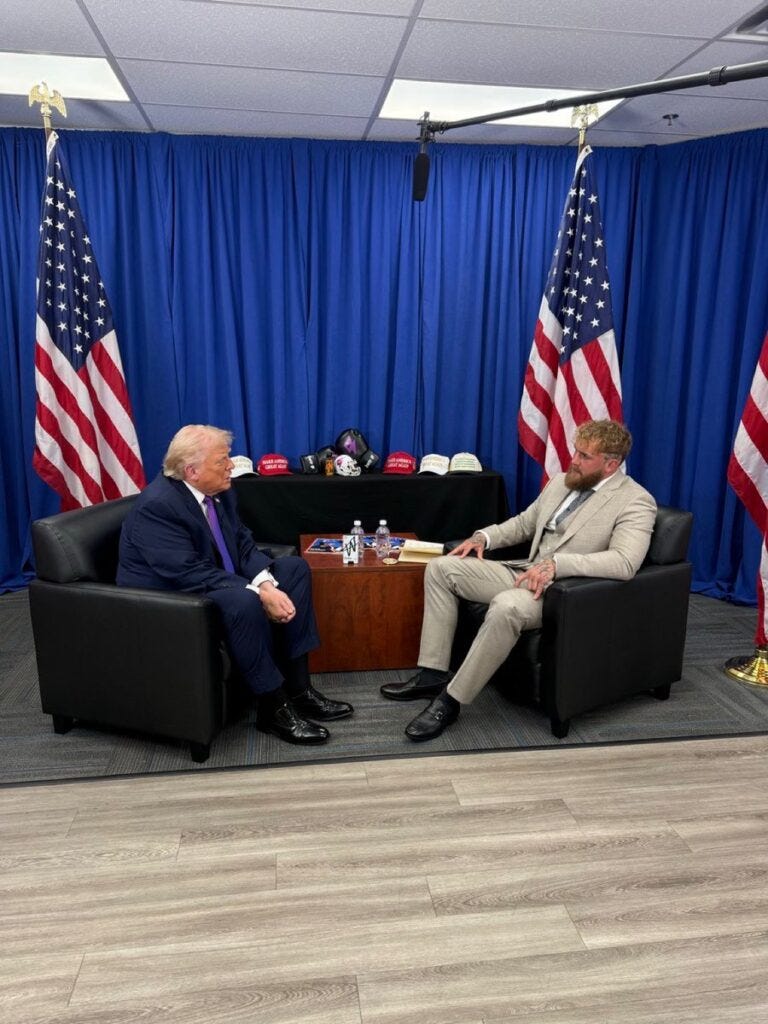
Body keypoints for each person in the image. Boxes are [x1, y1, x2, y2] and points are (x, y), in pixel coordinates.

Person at [381, 420, 656, 741]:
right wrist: (484, 537)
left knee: (505, 606)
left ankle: (450, 701)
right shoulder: (562, 482)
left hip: (560, 592)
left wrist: (557, 565)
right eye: (575, 452)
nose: (574, 461)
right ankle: (431, 674)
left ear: (612, 463)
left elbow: (624, 562)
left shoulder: (635, 501)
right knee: (442, 568)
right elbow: (525, 524)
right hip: (522, 570)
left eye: (584, 456)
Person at [117, 424, 352, 745]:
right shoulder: (158, 507)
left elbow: (242, 544)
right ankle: (274, 707)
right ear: (192, 471)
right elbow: (187, 572)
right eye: (222, 461)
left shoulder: (219, 493)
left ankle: (299, 690)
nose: (231, 466)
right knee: (243, 601)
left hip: (212, 579)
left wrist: (266, 585)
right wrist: (256, 593)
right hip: (171, 600)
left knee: (293, 569)